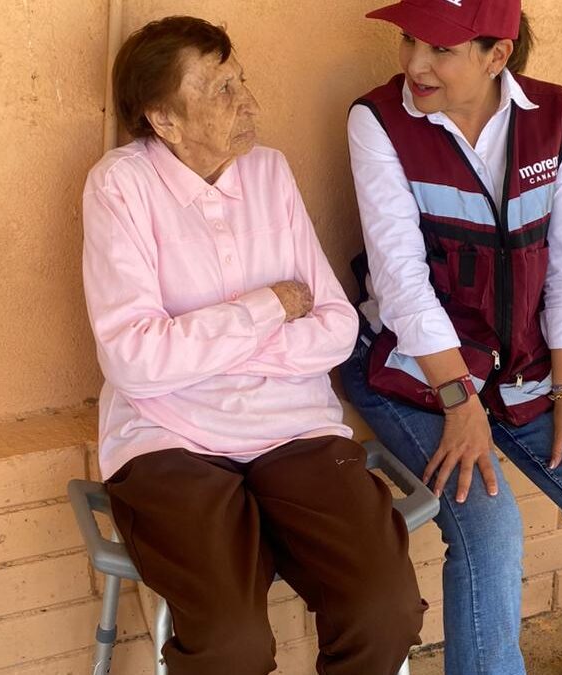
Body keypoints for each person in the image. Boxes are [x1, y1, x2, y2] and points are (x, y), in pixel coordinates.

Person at [341, 2, 562, 674]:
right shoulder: (378, 121)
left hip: (525, 372)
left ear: (497, 56)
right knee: (491, 528)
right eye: (410, 39)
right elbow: (401, 281)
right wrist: (457, 400)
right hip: (415, 373)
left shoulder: (553, 117)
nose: (414, 63)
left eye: (440, 49)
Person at [81, 16, 426, 675]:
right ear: (163, 119)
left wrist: (205, 346)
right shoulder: (119, 186)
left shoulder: (268, 172)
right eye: (218, 89)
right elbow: (133, 359)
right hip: (167, 437)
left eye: (239, 79)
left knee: (384, 607)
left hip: (292, 427)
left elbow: (333, 327)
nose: (246, 102)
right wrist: (267, 308)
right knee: (230, 643)